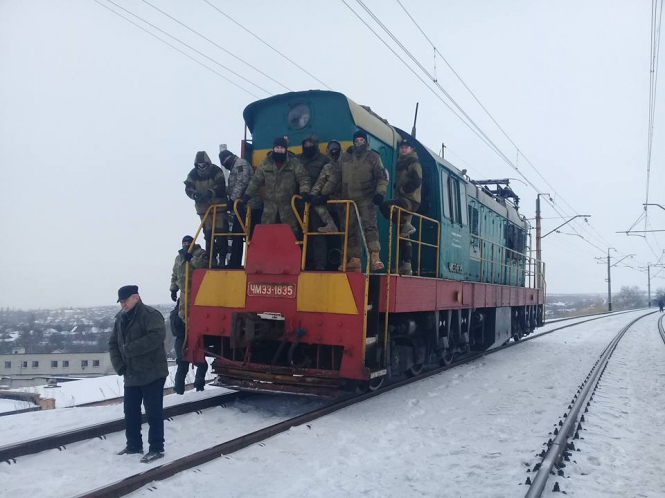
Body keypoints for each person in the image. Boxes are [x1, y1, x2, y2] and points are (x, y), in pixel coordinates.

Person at [109, 285, 169, 463]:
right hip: (131, 374)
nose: (123, 305)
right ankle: (133, 445)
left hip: (152, 373)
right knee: (131, 411)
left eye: (125, 301)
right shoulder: (120, 319)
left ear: (136, 297)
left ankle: (156, 448)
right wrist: (119, 365)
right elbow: (113, 344)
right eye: (121, 302)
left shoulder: (151, 315)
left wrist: (129, 350)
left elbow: (156, 337)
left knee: (153, 412)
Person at [241, 136, 311, 237]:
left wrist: (304, 192)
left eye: (282, 148)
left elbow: (303, 178)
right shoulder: (265, 163)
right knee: (267, 235)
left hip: (288, 208)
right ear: (273, 148)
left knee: (290, 236)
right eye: (277, 147)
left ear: (285, 149)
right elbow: (255, 181)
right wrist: (247, 195)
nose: (279, 150)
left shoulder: (294, 163)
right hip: (269, 209)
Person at [339, 130, 388, 271]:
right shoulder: (346, 157)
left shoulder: (373, 157)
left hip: (367, 199)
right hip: (349, 199)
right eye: (357, 140)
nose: (359, 142)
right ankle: (354, 260)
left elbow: (382, 177)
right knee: (350, 229)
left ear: (366, 141)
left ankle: (375, 258)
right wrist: (323, 194)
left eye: (361, 140)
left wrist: (380, 193)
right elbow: (337, 175)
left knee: (370, 228)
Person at [380, 137, 422, 275]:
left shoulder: (413, 162)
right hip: (403, 198)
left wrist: (402, 190)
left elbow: (416, 181)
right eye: (402, 147)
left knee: (385, 206)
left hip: (410, 200)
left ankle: (405, 223)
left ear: (411, 149)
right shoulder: (400, 162)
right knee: (402, 232)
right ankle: (407, 265)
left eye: (406, 147)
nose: (403, 149)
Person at [219, 147, 262, 268]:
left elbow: (241, 182)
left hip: (250, 207)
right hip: (242, 208)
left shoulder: (240, 164)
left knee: (248, 236)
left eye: (224, 161)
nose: (225, 164)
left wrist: (232, 200)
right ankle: (235, 262)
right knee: (238, 235)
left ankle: (249, 262)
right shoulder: (234, 167)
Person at [184, 151, 227, 267]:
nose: (201, 167)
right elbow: (188, 188)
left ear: (208, 163)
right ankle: (211, 260)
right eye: (199, 164)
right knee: (208, 235)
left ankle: (222, 259)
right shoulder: (192, 174)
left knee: (222, 233)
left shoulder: (216, 171)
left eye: (203, 164)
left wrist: (210, 193)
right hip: (204, 211)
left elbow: (221, 186)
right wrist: (195, 195)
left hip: (219, 208)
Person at [297, 134, 331, 270]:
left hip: (317, 204)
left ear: (316, 146)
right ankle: (301, 263)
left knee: (318, 234)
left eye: (310, 144)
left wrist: (323, 196)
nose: (308, 147)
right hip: (299, 203)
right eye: (305, 144)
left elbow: (330, 179)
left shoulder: (324, 160)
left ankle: (320, 265)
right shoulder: (297, 159)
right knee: (300, 234)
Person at [169, 302, 208, 395]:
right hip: (189, 340)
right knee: (202, 365)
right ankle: (199, 388)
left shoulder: (174, 314)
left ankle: (179, 390)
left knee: (182, 366)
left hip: (180, 341)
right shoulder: (184, 313)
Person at [170, 235, 208, 320]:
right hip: (184, 291)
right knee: (183, 314)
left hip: (198, 291)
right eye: (184, 243)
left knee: (197, 314)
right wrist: (173, 289)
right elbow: (175, 274)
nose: (186, 244)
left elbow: (203, 265)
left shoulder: (200, 253)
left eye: (189, 243)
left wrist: (191, 259)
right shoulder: (179, 258)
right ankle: (187, 330)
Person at [310, 140, 343, 234]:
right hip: (332, 199)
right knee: (317, 204)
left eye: (336, 149)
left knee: (347, 230)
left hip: (346, 199)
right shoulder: (328, 167)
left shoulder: (347, 165)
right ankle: (330, 224)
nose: (334, 152)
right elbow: (320, 182)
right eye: (331, 150)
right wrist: (312, 195)